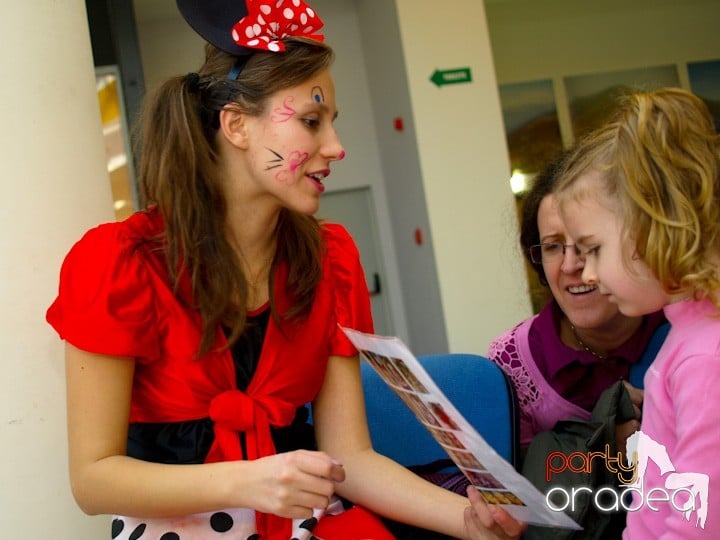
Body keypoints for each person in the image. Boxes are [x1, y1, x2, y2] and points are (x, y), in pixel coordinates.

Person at [45, 0, 524, 538]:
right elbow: (92, 480)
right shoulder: (120, 263)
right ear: (236, 125)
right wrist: (248, 481)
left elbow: (353, 458)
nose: (337, 147)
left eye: (332, 124)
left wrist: (469, 521)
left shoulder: (330, 261)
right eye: (311, 122)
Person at [553, 87, 720, 538]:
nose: (583, 270)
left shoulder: (704, 358)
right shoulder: (686, 336)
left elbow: (699, 523)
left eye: (592, 249)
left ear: (652, 227)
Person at [490, 154, 666, 455]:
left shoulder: (683, 325)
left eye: (588, 243)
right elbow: (522, 490)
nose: (571, 264)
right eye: (553, 246)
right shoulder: (516, 361)